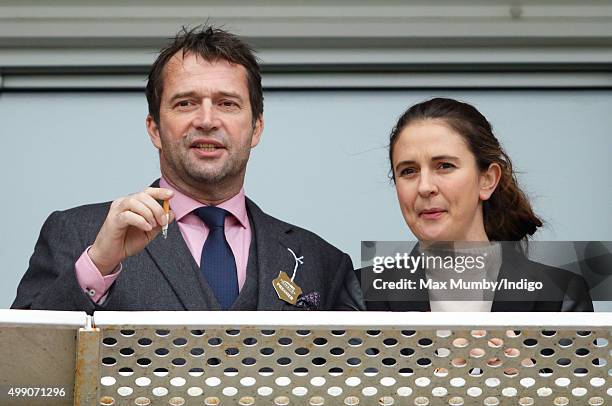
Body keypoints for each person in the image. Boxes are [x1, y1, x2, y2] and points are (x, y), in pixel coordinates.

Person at [12, 25, 364, 313]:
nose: (207, 120)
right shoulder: (77, 235)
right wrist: (98, 264)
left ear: (256, 127)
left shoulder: (323, 261)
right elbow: (19, 369)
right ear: (154, 129)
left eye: (227, 103)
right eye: (185, 103)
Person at [360, 97, 593, 312]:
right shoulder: (362, 291)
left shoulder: (561, 294)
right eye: (408, 171)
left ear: (487, 180)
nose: (424, 187)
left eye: (444, 166)